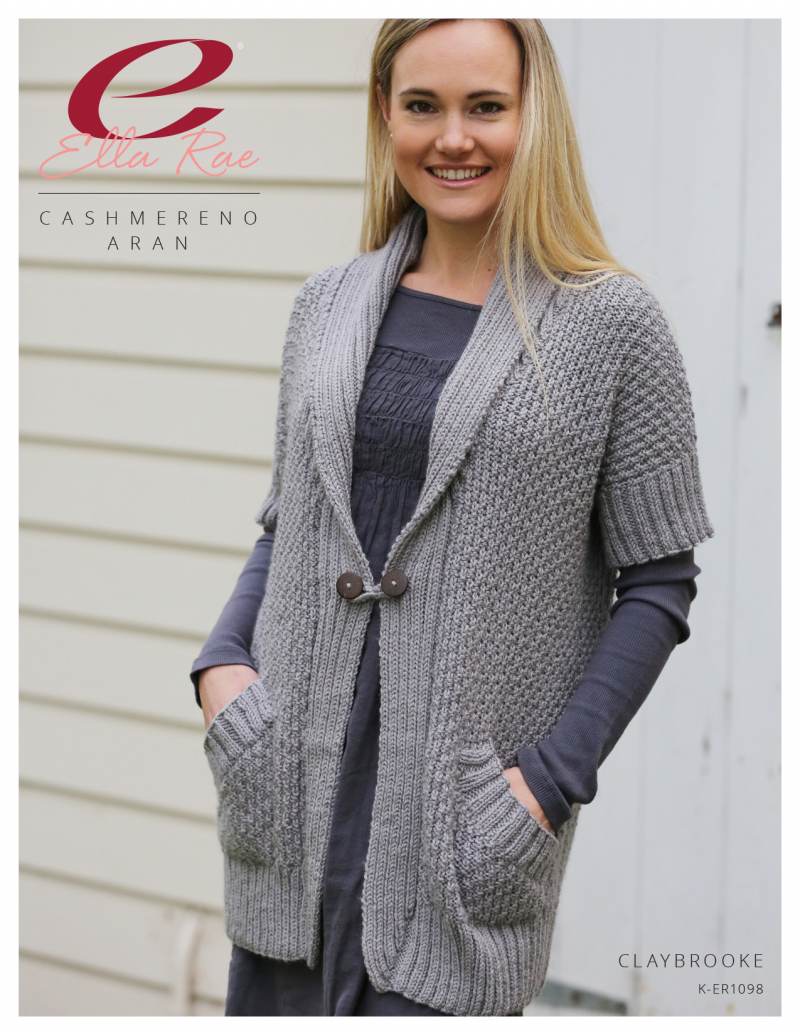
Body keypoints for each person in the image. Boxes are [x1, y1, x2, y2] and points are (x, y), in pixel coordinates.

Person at [191, 19, 714, 1017]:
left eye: (486, 106)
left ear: (534, 115)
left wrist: (546, 784)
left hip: (461, 838)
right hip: (290, 799)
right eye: (422, 106)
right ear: (384, 115)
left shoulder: (612, 326)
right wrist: (221, 669)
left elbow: (658, 582)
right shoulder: (326, 306)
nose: (453, 137)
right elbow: (289, 526)